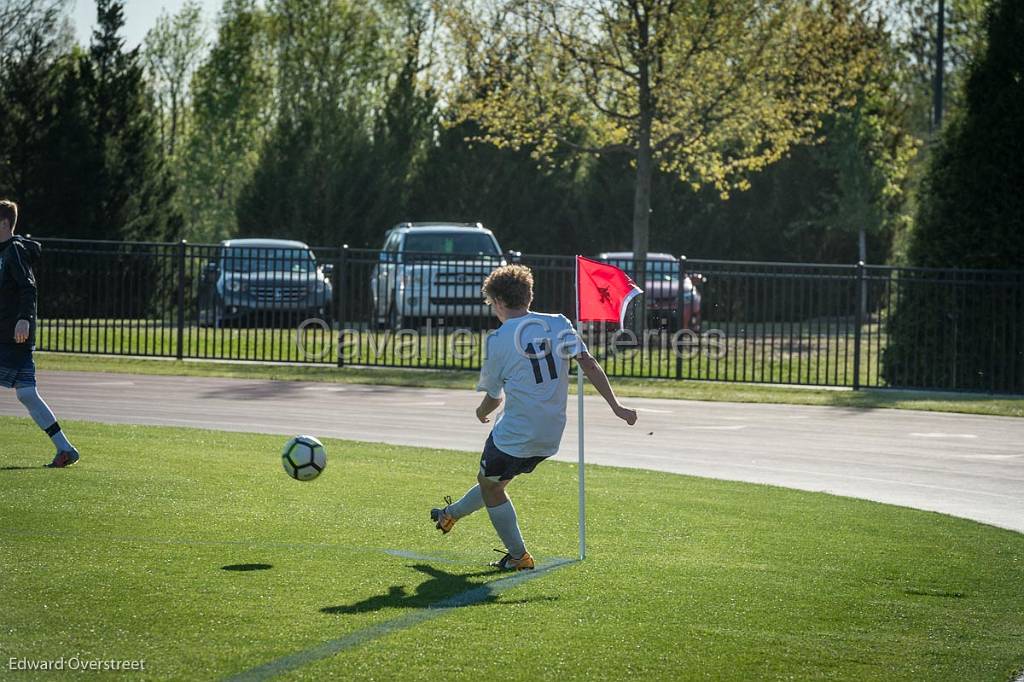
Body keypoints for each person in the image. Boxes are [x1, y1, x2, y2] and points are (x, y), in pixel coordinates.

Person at [430, 264, 637, 570]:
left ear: (499, 302)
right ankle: (452, 515)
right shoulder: (557, 322)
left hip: (517, 431)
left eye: (491, 304)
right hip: (551, 433)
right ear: (528, 295)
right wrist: (617, 407)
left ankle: (518, 557)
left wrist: (479, 413)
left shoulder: (499, 339)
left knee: (491, 485)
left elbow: (494, 397)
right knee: (494, 480)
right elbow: (588, 363)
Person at [0, 199, 80, 467]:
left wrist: (23, 319)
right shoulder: (3, 252)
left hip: (13, 335)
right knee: (27, 394)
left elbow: (28, 288)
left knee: (26, 394)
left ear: (4, 223)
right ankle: (65, 449)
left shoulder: (14, 251)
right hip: (7, 333)